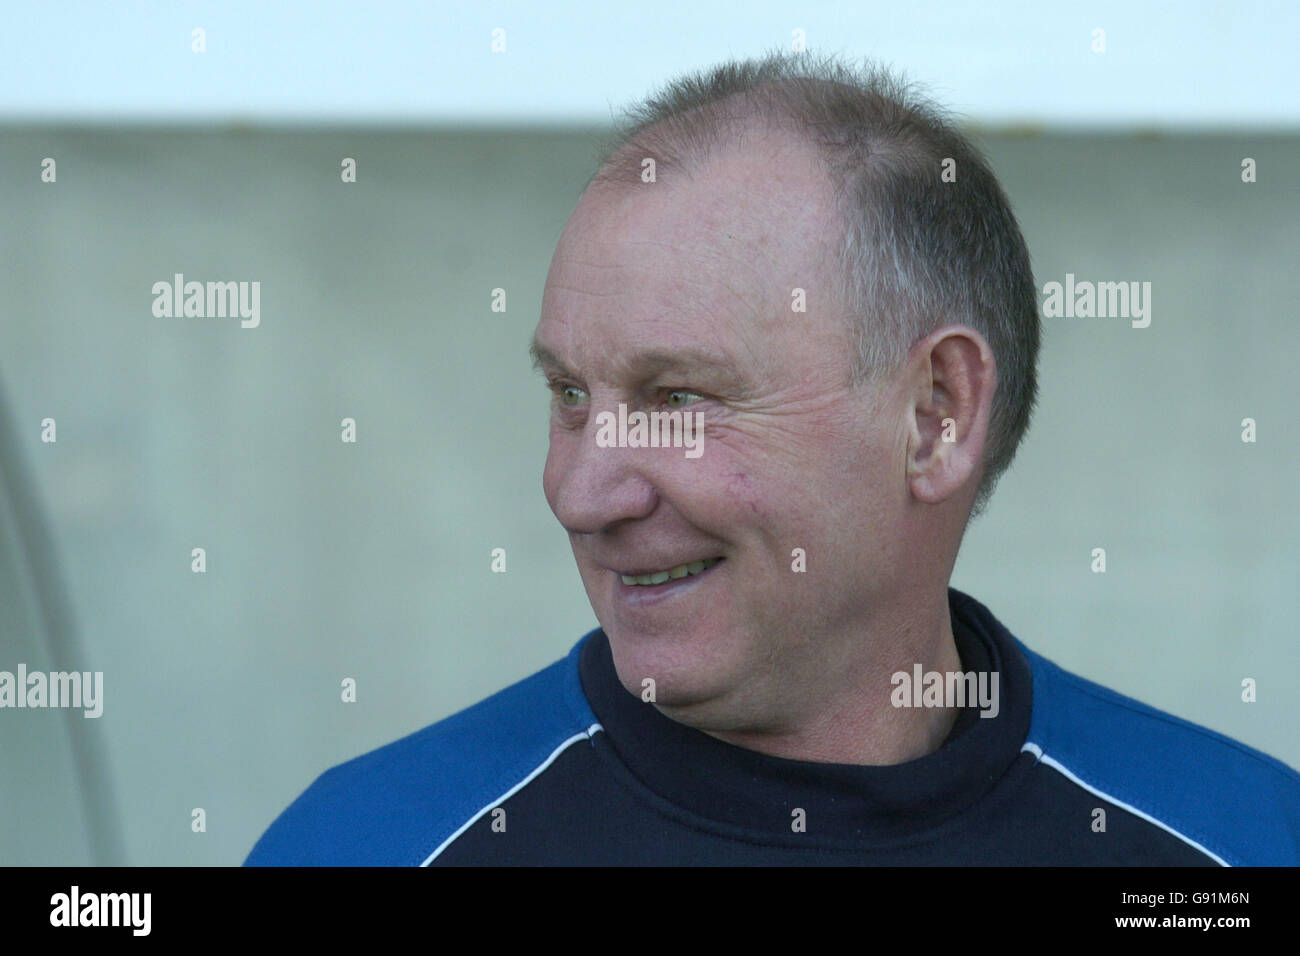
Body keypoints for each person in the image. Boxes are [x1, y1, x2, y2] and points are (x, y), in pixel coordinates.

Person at [246, 52, 1300, 866]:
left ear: (933, 415)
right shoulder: (371, 846)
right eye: (569, 394)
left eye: (677, 397)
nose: (578, 492)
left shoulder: (1235, 842)